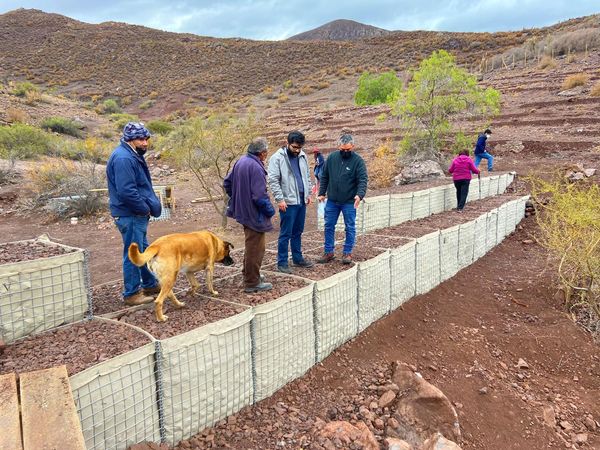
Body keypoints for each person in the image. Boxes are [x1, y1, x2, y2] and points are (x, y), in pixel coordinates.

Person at [106, 122, 162, 306]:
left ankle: (150, 284)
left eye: (146, 138)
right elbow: (127, 191)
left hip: (133, 214)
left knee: (144, 251)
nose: (145, 142)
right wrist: (144, 208)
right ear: (130, 139)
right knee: (133, 253)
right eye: (140, 139)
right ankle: (131, 293)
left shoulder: (131, 154)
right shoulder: (124, 158)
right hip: (130, 214)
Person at [223, 137, 275, 292]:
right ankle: (252, 282)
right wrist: (270, 211)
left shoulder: (241, 161)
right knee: (256, 248)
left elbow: (227, 183)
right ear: (262, 153)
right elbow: (259, 197)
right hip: (254, 214)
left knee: (250, 244)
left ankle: (249, 274)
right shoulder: (256, 167)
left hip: (242, 211)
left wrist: (238, 198)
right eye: (266, 152)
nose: (266, 155)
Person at [267, 130, 314, 274]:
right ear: (287, 143)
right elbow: (273, 180)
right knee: (286, 233)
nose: (297, 150)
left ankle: (297, 258)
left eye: (299, 147)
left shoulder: (302, 155)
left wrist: (308, 193)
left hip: (301, 200)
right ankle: (282, 262)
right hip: (287, 202)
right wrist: (280, 199)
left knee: (298, 231)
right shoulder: (277, 158)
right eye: (294, 147)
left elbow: (306, 175)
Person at [317, 133, 368, 264]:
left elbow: (362, 180)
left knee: (350, 227)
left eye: (348, 150)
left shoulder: (358, 161)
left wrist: (359, 195)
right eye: (343, 149)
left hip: (349, 201)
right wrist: (321, 193)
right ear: (338, 146)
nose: (345, 152)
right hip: (333, 200)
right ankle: (328, 252)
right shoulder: (332, 158)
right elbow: (325, 177)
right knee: (328, 225)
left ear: (353, 147)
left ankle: (347, 253)